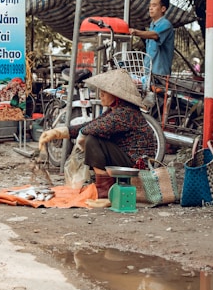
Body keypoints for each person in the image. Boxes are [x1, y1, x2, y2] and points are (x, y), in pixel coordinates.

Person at [38, 69, 156, 198]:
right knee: (92, 136)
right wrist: (59, 132)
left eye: (105, 92)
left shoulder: (125, 113)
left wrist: (81, 136)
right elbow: (92, 124)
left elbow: (93, 128)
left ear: (116, 95)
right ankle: (104, 185)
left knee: (93, 140)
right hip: (127, 159)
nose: (101, 95)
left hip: (136, 165)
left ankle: (104, 189)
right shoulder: (116, 110)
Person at [129, 0, 174, 76]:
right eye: (150, 5)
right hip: (148, 74)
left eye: (154, 5)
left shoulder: (166, 24)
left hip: (160, 75)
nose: (150, 8)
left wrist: (135, 32)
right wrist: (143, 68)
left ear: (163, 8)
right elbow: (150, 52)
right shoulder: (152, 26)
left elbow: (155, 35)